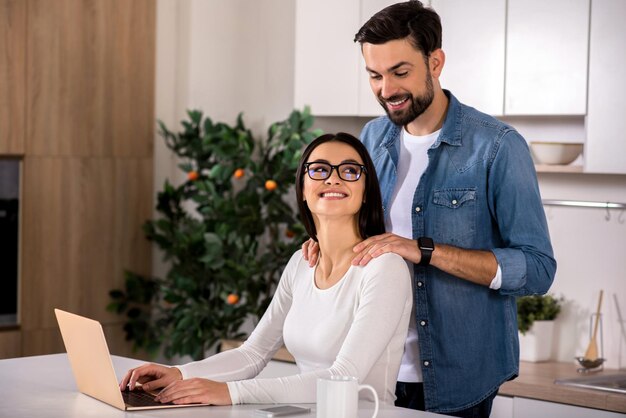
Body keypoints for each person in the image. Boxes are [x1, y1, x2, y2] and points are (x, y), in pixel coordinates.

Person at [303, 2, 556, 417]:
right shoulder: (371, 137)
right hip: (373, 372)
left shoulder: (496, 147)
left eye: (400, 72)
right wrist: (326, 244)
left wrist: (423, 249)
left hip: (459, 382)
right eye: (374, 75)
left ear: (435, 62)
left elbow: (537, 268)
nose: (386, 90)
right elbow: (365, 236)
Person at [119, 133, 412, 406]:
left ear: (365, 193)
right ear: (302, 190)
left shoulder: (384, 268)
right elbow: (254, 352)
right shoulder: (301, 262)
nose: (333, 179)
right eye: (320, 170)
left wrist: (230, 392)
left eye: (349, 171)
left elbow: (343, 377)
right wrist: (179, 373)